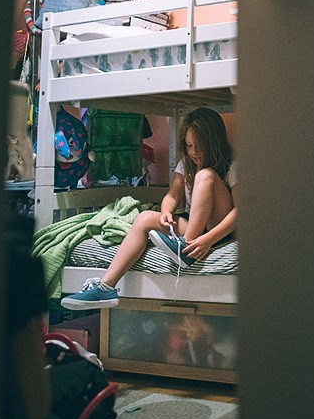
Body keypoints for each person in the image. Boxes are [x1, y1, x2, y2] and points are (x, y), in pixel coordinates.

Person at [61, 106, 237, 309]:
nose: (194, 152)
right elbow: (172, 195)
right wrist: (166, 213)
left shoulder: (232, 165)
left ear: (214, 143)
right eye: (189, 145)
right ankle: (105, 287)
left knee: (205, 175)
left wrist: (208, 239)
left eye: (200, 146)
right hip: (194, 225)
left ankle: (186, 248)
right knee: (144, 217)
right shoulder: (186, 163)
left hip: (218, 227)